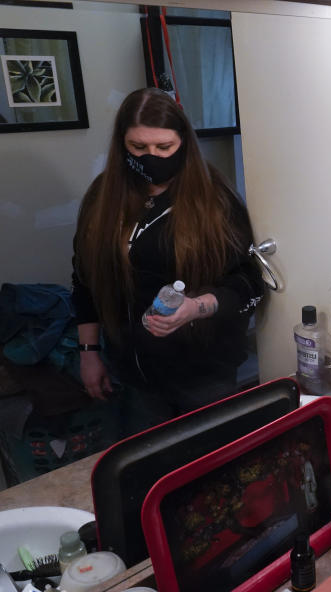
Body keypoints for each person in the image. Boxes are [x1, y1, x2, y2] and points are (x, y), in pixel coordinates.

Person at [71, 87, 263, 430]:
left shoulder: (214, 200)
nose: (152, 157)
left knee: (211, 470)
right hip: (133, 375)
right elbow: (85, 280)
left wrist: (197, 307)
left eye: (164, 147)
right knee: (152, 472)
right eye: (138, 148)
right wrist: (88, 353)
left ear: (183, 143)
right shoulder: (103, 198)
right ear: (122, 146)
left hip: (204, 375)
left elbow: (249, 282)